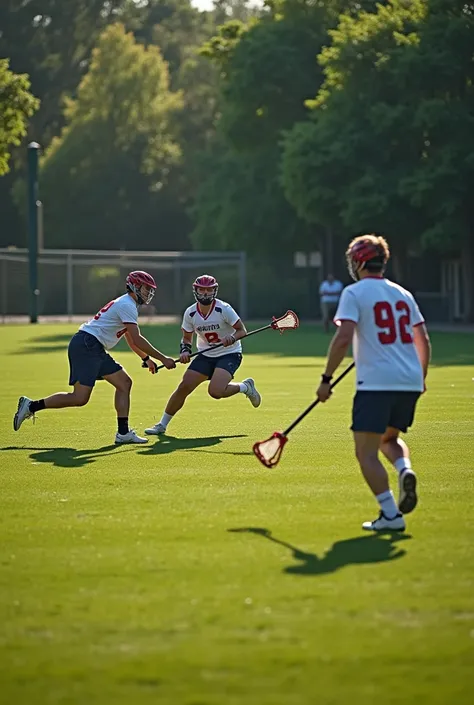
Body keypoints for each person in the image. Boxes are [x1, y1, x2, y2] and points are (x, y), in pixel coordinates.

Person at [316, 235, 431, 532]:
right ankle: (404, 470)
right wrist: (422, 377)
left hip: (377, 383)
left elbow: (343, 338)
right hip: (410, 380)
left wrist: (326, 380)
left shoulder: (354, 293)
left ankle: (391, 515)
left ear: (358, 262)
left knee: (365, 453)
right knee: (388, 439)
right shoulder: (403, 294)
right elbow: (423, 340)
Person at [13, 271, 176, 444]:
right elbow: (137, 338)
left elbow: (129, 337)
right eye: (145, 288)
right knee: (80, 398)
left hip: (91, 346)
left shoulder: (129, 305)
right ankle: (31, 406)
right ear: (134, 286)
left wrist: (146, 359)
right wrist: (163, 358)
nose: (148, 292)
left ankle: (123, 433)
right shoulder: (127, 305)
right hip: (87, 346)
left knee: (124, 383)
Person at [145, 274, 261, 436]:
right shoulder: (191, 313)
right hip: (206, 355)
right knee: (184, 386)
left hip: (229, 353)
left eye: (209, 289)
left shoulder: (224, 309)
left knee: (215, 392)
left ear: (214, 290)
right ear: (196, 290)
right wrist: (185, 351)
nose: (205, 293)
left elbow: (242, 330)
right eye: (202, 289)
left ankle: (245, 387)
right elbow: (186, 338)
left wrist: (232, 337)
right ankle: (161, 425)